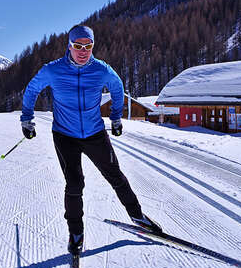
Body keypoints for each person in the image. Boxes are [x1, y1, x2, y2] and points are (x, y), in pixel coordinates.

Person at [19, 25, 161, 255]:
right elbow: (32, 89)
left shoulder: (101, 69)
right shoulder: (53, 70)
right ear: (69, 45)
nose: (83, 51)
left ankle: (138, 216)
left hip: (95, 133)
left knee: (115, 175)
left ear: (93, 46)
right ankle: (76, 232)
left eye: (88, 46)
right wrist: (27, 119)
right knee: (75, 183)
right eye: (78, 46)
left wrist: (116, 117)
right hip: (65, 135)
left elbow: (117, 88)